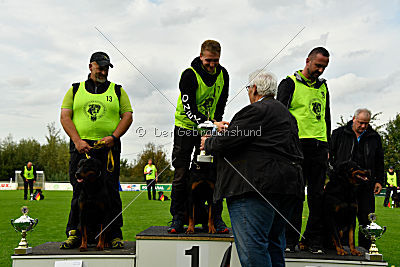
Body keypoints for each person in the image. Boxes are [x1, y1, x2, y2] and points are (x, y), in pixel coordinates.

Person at [201, 70, 303, 266]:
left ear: (254, 89)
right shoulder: (287, 115)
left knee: (253, 250)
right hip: (287, 188)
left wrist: (209, 142)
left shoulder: (256, 110)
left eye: (248, 88)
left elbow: (227, 142)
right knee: (274, 246)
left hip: (255, 188)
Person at [60, 51, 133, 249]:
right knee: (78, 190)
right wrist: (77, 140)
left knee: (111, 191)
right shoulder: (75, 89)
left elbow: (127, 115)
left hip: (107, 148)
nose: (103, 71)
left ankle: (114, 235)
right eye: (99, 67)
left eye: (106, 67)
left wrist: (113, 137)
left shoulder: (117, 90)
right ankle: (75, 233)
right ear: (90, 66)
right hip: (80, 148)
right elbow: (65, 117)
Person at [168, 40, 230, 233]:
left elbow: (221, 103)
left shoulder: (223, 74)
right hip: (186, 128)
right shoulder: (189, 75)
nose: (212, 65)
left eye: (216, 61)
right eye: (208, 61)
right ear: (201, 56)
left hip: (208, 130)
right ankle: (178, 218)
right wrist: (210, 124)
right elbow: (189, 109)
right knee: (180, 175)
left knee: (215, 173)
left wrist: (214, 129)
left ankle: (216, 219)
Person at [277, 47, 331, 253]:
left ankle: (312, 241)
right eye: (318, 65)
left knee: (317, 197)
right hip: (296, 146)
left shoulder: (323, 87)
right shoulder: (289, 83)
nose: (320, 70)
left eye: (324, 67)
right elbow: (280, 115)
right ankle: (290, 241)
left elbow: (327, 118)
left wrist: (329, 148)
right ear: (307, 60)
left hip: (319, 146)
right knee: (295, 195)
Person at [330, 108, 384, 249]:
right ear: (354, 119)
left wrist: (379, 180)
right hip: (343, 185)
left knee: (366, 217)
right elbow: (329, 156)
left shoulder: (374, 137)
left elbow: (379, 160)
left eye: (366, 123)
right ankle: (345, 247)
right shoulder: (339, 134)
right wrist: (329, 178)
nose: (363, 126)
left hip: (366, 184)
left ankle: (366, 249)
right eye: (360, 123)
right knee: (344, 217)